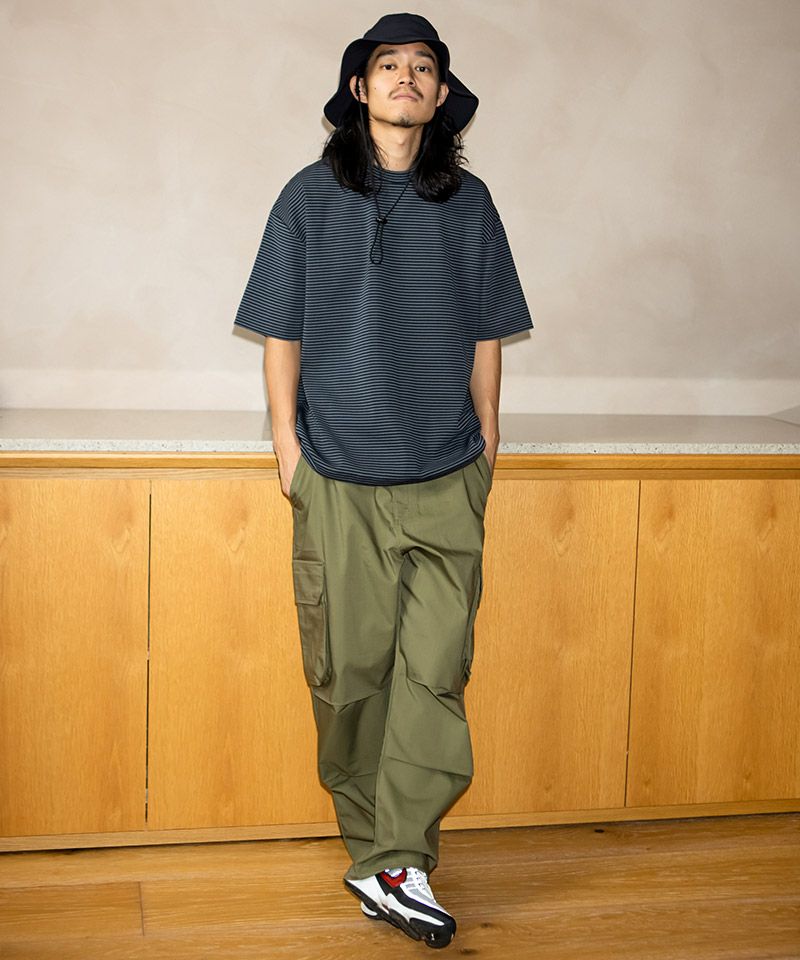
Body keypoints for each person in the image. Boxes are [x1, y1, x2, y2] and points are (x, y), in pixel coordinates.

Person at [233, 12, 533, 950]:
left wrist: (488, 441)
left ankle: (399, 859)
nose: (408, 76)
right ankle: (376, 854)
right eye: (389, 65)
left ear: (441, 97)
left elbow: (487, 332)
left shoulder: (471, 205)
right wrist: (287, 450)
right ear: (360, 90)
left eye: (424, 66)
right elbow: (280, 331)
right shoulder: (307, 197)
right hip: (339, 474)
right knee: (351, 675)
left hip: (447, 472)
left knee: (436, 671)